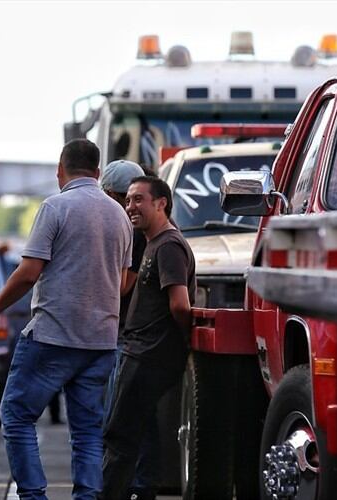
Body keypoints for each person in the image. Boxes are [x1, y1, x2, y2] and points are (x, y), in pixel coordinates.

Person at [0, 139, 133, 500]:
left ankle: (33, 496)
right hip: (100, 341)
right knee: (87, 432)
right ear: (98, 172)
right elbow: (124, 284)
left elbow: (29, 271)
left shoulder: (55, 207)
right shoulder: (120, 217)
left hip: (52, 336)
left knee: (16, 415)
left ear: (60, 170)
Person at [102, 176, 196, 500]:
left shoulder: (169, 245)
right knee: (133, 432)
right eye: (128, 200)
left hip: (149, 355)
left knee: (120, 436)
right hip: (139, 353)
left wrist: (180, 341)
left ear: (162, 203)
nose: (130, 207)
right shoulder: (153, 242)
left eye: (139, 200)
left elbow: (181, 305)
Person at [99, 160, 161, 499]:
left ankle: (135, 485)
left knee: (123, 416)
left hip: (130, 336)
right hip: (135, 335)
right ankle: (139, 484)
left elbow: (123, 286)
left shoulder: (134, 232)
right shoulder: (145, 228)